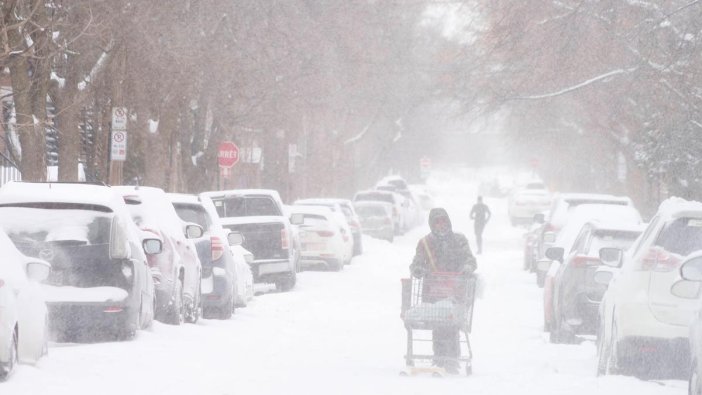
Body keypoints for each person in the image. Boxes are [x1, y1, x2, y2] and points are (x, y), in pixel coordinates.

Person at [410, 208, 477, 374]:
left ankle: (452, 359)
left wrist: (467, 268)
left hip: (455, 290)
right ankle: (439, 357)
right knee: (438, 324)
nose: (441, 225)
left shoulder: (459, 240)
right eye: (437, 222)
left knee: (452, 323)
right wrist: (418, 269)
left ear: (449, 221)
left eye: (443, 221)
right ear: (432, 224)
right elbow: (416, 263)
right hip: (433, 291)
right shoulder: (425, 243)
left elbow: (470, 259)